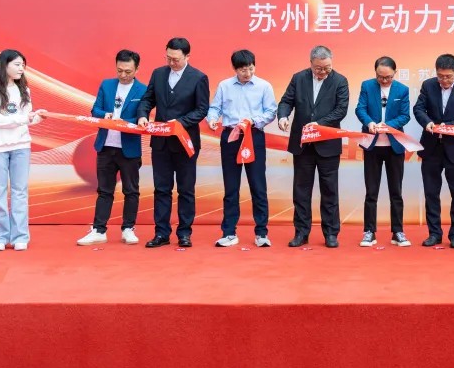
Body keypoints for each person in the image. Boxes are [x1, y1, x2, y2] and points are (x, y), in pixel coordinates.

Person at [136, 37, 209, 249]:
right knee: (161, 189)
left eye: (176, 59)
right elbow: (148, 99)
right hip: (160, 143)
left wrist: (179, 123)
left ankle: (184, 233)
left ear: (187, 56)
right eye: (168, 58)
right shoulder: (158, 74)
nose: (171, 62)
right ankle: (161, 233)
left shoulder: (198, 78)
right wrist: (142, 115)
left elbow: (201, 109)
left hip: (185, 143)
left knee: (186, 190)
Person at [277, 45, 350, 248]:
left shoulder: (340, 81)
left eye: (327, 67)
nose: (323, 72)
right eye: (319, 68)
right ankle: (301, 232)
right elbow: (286, 101)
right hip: (303, 145)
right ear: (311, 64)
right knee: (301, 191)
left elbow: (341, 110)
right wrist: (283, 116)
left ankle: (331, 233)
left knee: (329, 191)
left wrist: (319, 124)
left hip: (328, 144)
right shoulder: (298, 78)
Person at [207, 49, 278, 248]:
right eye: (243, 70)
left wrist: (253, 121)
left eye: (251, 68)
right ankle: (229, 233)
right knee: (231, 187)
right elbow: (215, 108)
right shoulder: (225, 86)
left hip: (253, 135)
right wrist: (212, 119)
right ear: (235, 68)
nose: (248, 73)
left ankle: (261, 233)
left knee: (258, 186)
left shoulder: (264, 86)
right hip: (231, 137)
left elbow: (271, 111)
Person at [77, 49, 146, 247]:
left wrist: (124, 122)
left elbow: (142, 115)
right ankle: (99, 230)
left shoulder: (143, 90)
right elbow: (95, 109)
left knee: (131, 190)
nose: (123, 75)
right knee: (104, 190)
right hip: (106, 146)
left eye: (128, 71)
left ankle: (128, 229)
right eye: (119, 70)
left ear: (137, 69)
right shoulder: (106, 85)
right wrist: (105, 115)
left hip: (129, 148)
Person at [0, 49, 44, 251]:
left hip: (21, 146)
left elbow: (25, 120)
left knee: (20, 192)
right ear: (4, 65)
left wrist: (36, 118)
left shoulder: (24, 90)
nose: (21, 68)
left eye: (23, 65)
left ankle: (19, 237)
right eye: (17, 64)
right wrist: (23, 118)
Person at [413, 54, 454, 248]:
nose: (444, 80)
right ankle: (434, 233)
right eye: (440, 76)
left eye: (448, 76)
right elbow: (418, 109)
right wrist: (428, 123)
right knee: (431, 193)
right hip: (431, 148)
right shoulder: (428, 86)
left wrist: (446, 127)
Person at [355, 57, 412, 248]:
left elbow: (405, 116)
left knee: (396, 191)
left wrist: (387, 126)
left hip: (394, 147)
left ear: (395, 73)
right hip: (372, 146)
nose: (384, 80)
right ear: (375, 73)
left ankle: (398, 231)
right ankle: (369, 231)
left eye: (388, 77)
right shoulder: (367, 86)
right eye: (380, 77)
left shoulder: (402, 90)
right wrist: (369, 122)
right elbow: (360, 109)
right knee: (371, 191)